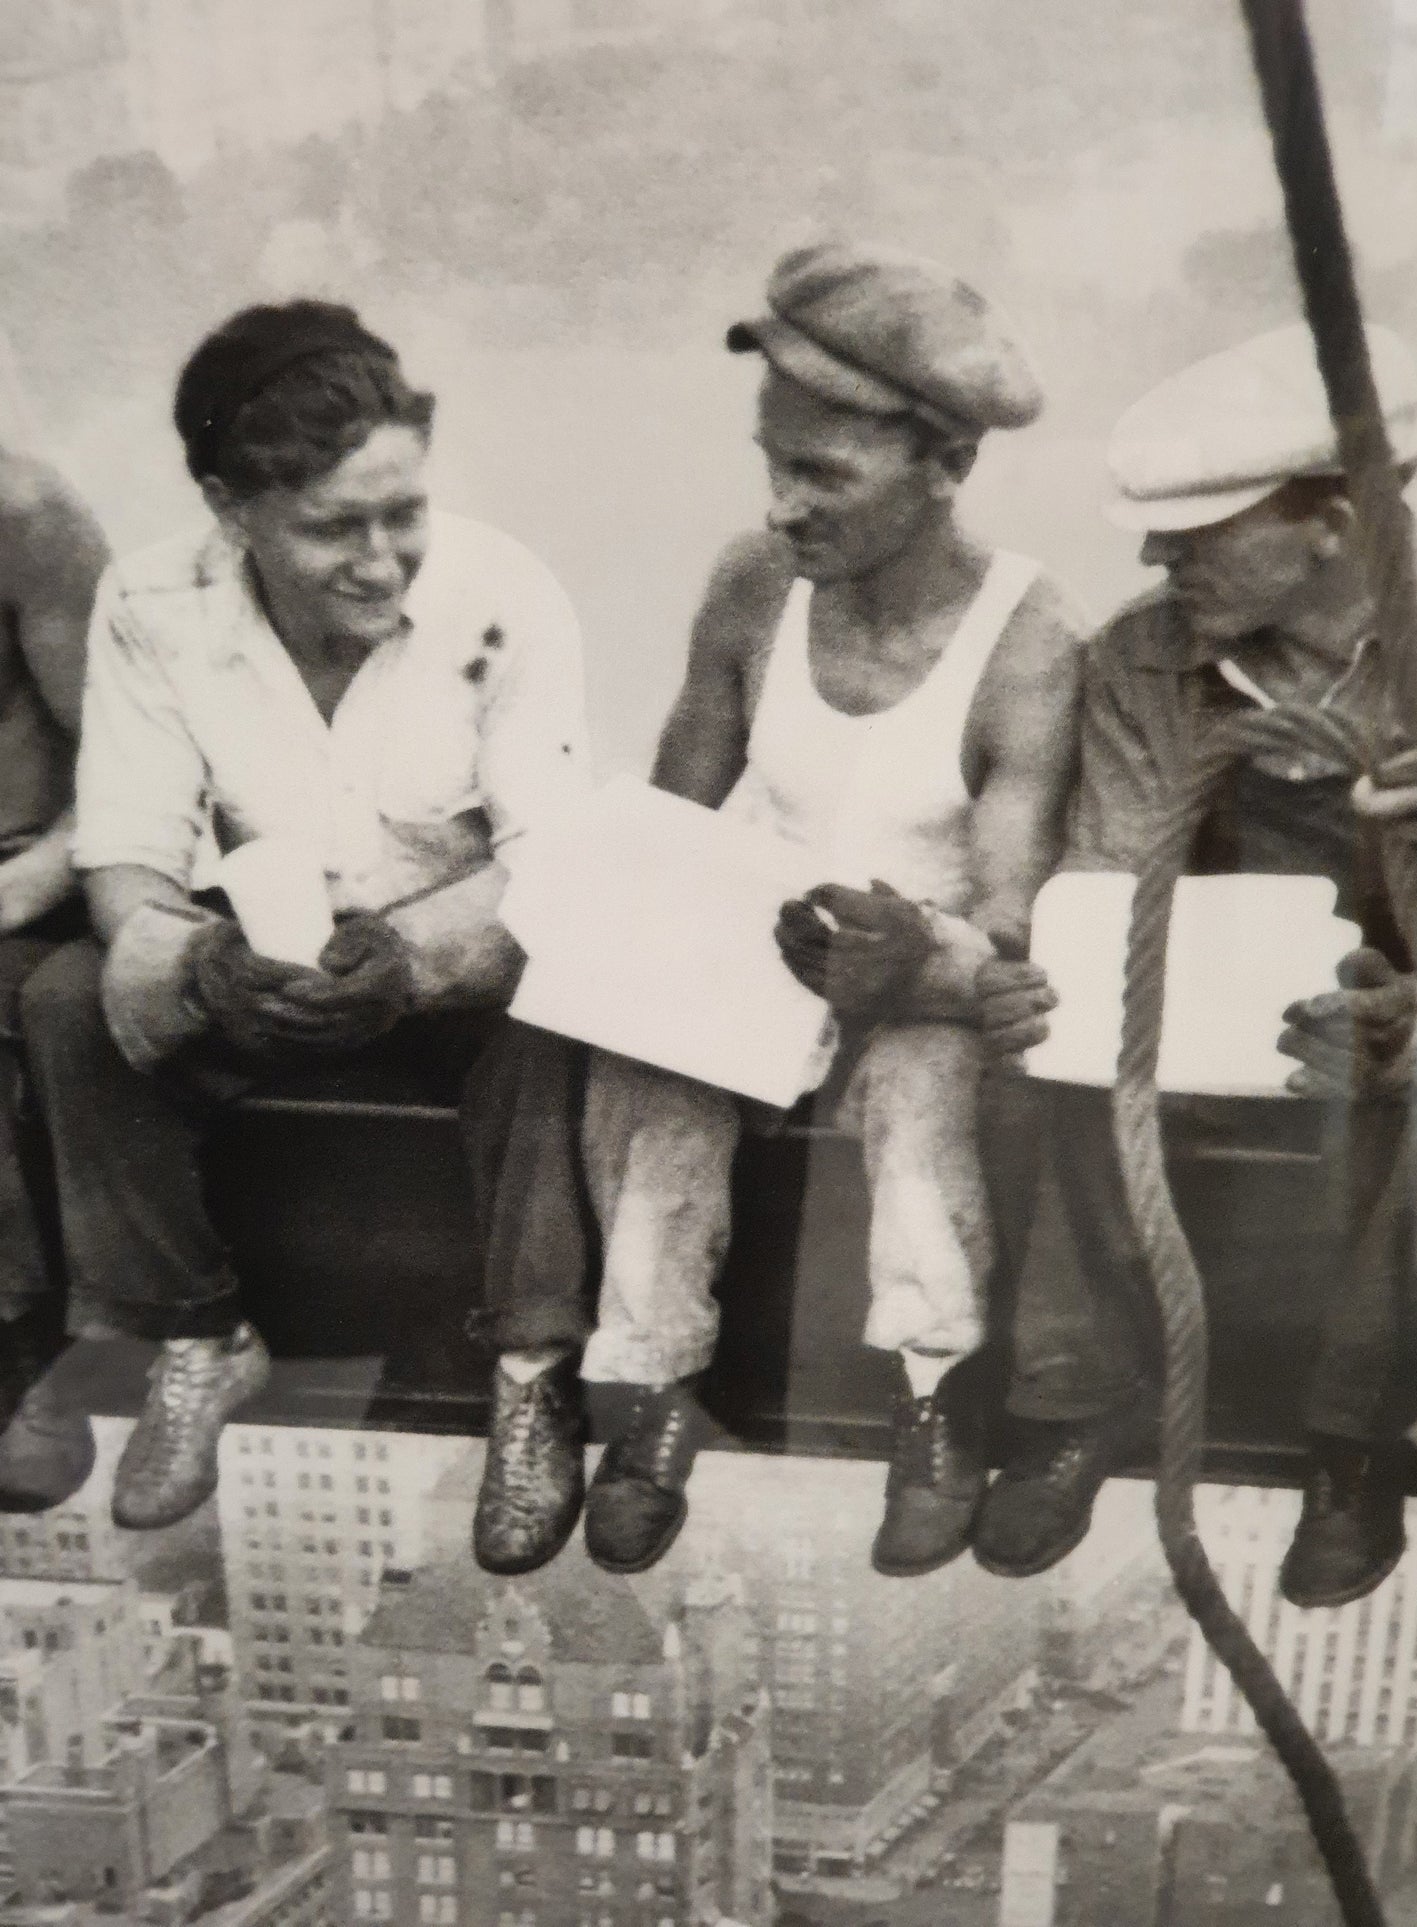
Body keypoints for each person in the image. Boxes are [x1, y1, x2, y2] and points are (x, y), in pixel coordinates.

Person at [471, 242, 1083, 1582]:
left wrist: (920, 958)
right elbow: (677, 815)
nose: (783, 506)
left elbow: (1009, 906)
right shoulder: (753, 587)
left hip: (907, 976)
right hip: (752, 948)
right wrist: (608, 920)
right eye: (772, 461)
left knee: (927, 1095)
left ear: (946, 465)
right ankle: (645, 1396)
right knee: (651, 1076)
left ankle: (933, 1396)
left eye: (824, 476)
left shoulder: (1024, 638)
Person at [19, 300, 588, 1532]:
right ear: (231, 511)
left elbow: (550, 854)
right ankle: (197, 1331)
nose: (382, 560)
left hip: (455, 954)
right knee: (66, 1001)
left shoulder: (503, 594)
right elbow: (124, 849)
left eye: (404, 514)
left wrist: (415, 960)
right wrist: (200, 960)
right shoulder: (151, 602)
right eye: (334, 527)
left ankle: (534, 1375)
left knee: (555, 1019)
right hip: (262, 958)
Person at [970, 320, 1417, 1609]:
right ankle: (1071, 1398)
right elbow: (1115, 875)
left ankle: (1348, 1448)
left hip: (1415, 999)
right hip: (1206, 968)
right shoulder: (1140, 657)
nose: (1152, 554)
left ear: (1335, 524)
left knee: (1414, 1114)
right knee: (1062, 1049)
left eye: (1199, 527)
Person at [0, 443, 108, 1510]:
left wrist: (18, 888)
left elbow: (123, 764)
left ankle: (16, 1326)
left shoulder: (25, 511)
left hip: (24, 877)